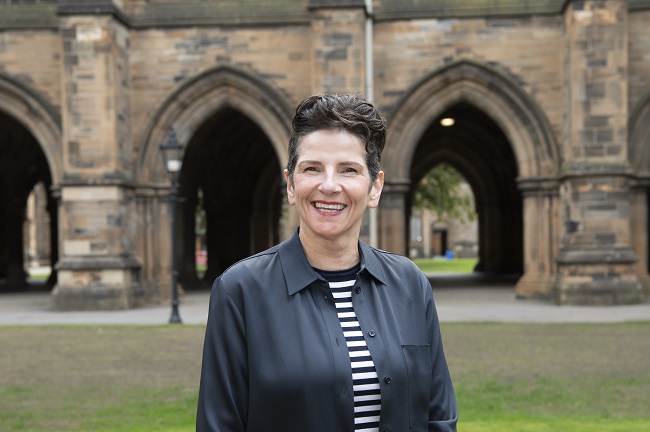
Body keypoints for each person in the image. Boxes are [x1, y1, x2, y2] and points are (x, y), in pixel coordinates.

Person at [196, 94, 458, 432]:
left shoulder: (409, 282)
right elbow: (220, 425)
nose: (329, 185)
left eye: (349, 170)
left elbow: (438, 417)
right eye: (312, 169)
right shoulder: (240, 290)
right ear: (291, 184)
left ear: (374, 187)